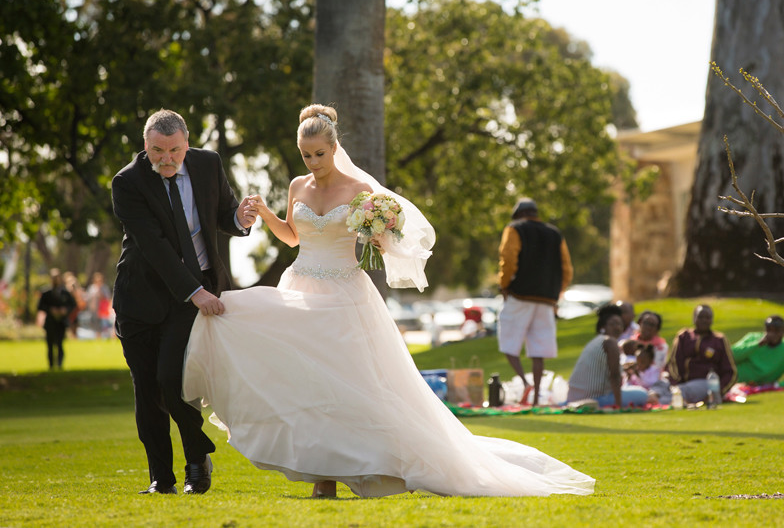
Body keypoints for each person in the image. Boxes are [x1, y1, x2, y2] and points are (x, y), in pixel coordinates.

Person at [182, 104, 594, 499]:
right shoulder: (297, 186)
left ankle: (366, 466)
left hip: (344, 296)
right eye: (306, 155)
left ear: (334, 147)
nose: (313, 162)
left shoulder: (360, 190)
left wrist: (379, 235)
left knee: (346, 385)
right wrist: (266, 214)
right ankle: (321, 474)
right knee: (301, 379)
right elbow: (293, 237)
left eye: (319, 154)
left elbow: (381, 242)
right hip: (300, 287)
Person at [111, 109, 257, 495]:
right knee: (148, 391)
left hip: (190, 300)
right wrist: (196, 291)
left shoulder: (208, 165)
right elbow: (155, 247)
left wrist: (240, 219)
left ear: (187, 144)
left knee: (173, 380)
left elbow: (223, 214)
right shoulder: (127, 182)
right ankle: (161, 478)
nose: (167, 159)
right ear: (145, 146)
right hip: (140, 299)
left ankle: (197, 461)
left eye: (174, 150)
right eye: (157, 151)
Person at [497, 197, 573, 406]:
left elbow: (508, 260)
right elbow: (567, 268)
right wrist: (556, 292)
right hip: (546, 300)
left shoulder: (514, 229)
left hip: (519, 296)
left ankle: (524, 382)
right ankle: (537, 395)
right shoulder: (555, 233)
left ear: (519, 214)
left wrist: (504, 285)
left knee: (508, 342)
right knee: (539, 350)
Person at [566, 304, 654, 408]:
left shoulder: (597, 341)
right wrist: (618, 405)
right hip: (594, 398)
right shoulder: (610, 342)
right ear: (603, 327)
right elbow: (615, 376)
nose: (617, 327)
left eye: (620, 324)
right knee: (642, 394)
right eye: (613, 324)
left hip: (575, 397)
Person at [666, 304, 737, 404]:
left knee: (675, 393)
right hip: (682, 384)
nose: (704, 320)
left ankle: (666, 399)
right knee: (660, 387)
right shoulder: (684, 336)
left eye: (707, 318)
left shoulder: (719, 340)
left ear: (712, 320)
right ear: (694, 318)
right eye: (700, 317)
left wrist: (717, 392)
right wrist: (675, 384)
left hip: (706, 384)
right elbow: (673, 363)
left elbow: (731, 372)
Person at [732, 315, 784, 388]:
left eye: (776, 330)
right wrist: (757, 344)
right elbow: (730, 356)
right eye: (769, 330)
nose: (772, 334)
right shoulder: (752, 338)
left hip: (758, 386)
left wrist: (775, 385)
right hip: (733, 381)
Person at [37, 268, 76, 370]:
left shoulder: (65, 293)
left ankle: (59, 365)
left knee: (60, 344)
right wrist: (50, 310)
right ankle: (51, 366)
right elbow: (40, 306)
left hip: (61, 322)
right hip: (50, 322)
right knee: (50, 345)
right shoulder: (46, 293)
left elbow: (72, 304)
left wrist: (65, 310)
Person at [84, 272, 113, 339]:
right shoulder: (92, 288)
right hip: (94, 309)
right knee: (94, 323)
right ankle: (97, 336)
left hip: (102, 309)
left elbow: (107, 298)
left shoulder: (104, 288)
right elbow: (88, 298)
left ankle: (101, 336)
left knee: (102, 324)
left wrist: (100, 294)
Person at [63, 271, 86, 339]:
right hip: (69, 311)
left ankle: (74, 337)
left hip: (76, 310)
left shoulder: (77, 290)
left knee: (75, 326)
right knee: (70, 326)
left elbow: (81, 300)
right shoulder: (66, 291)